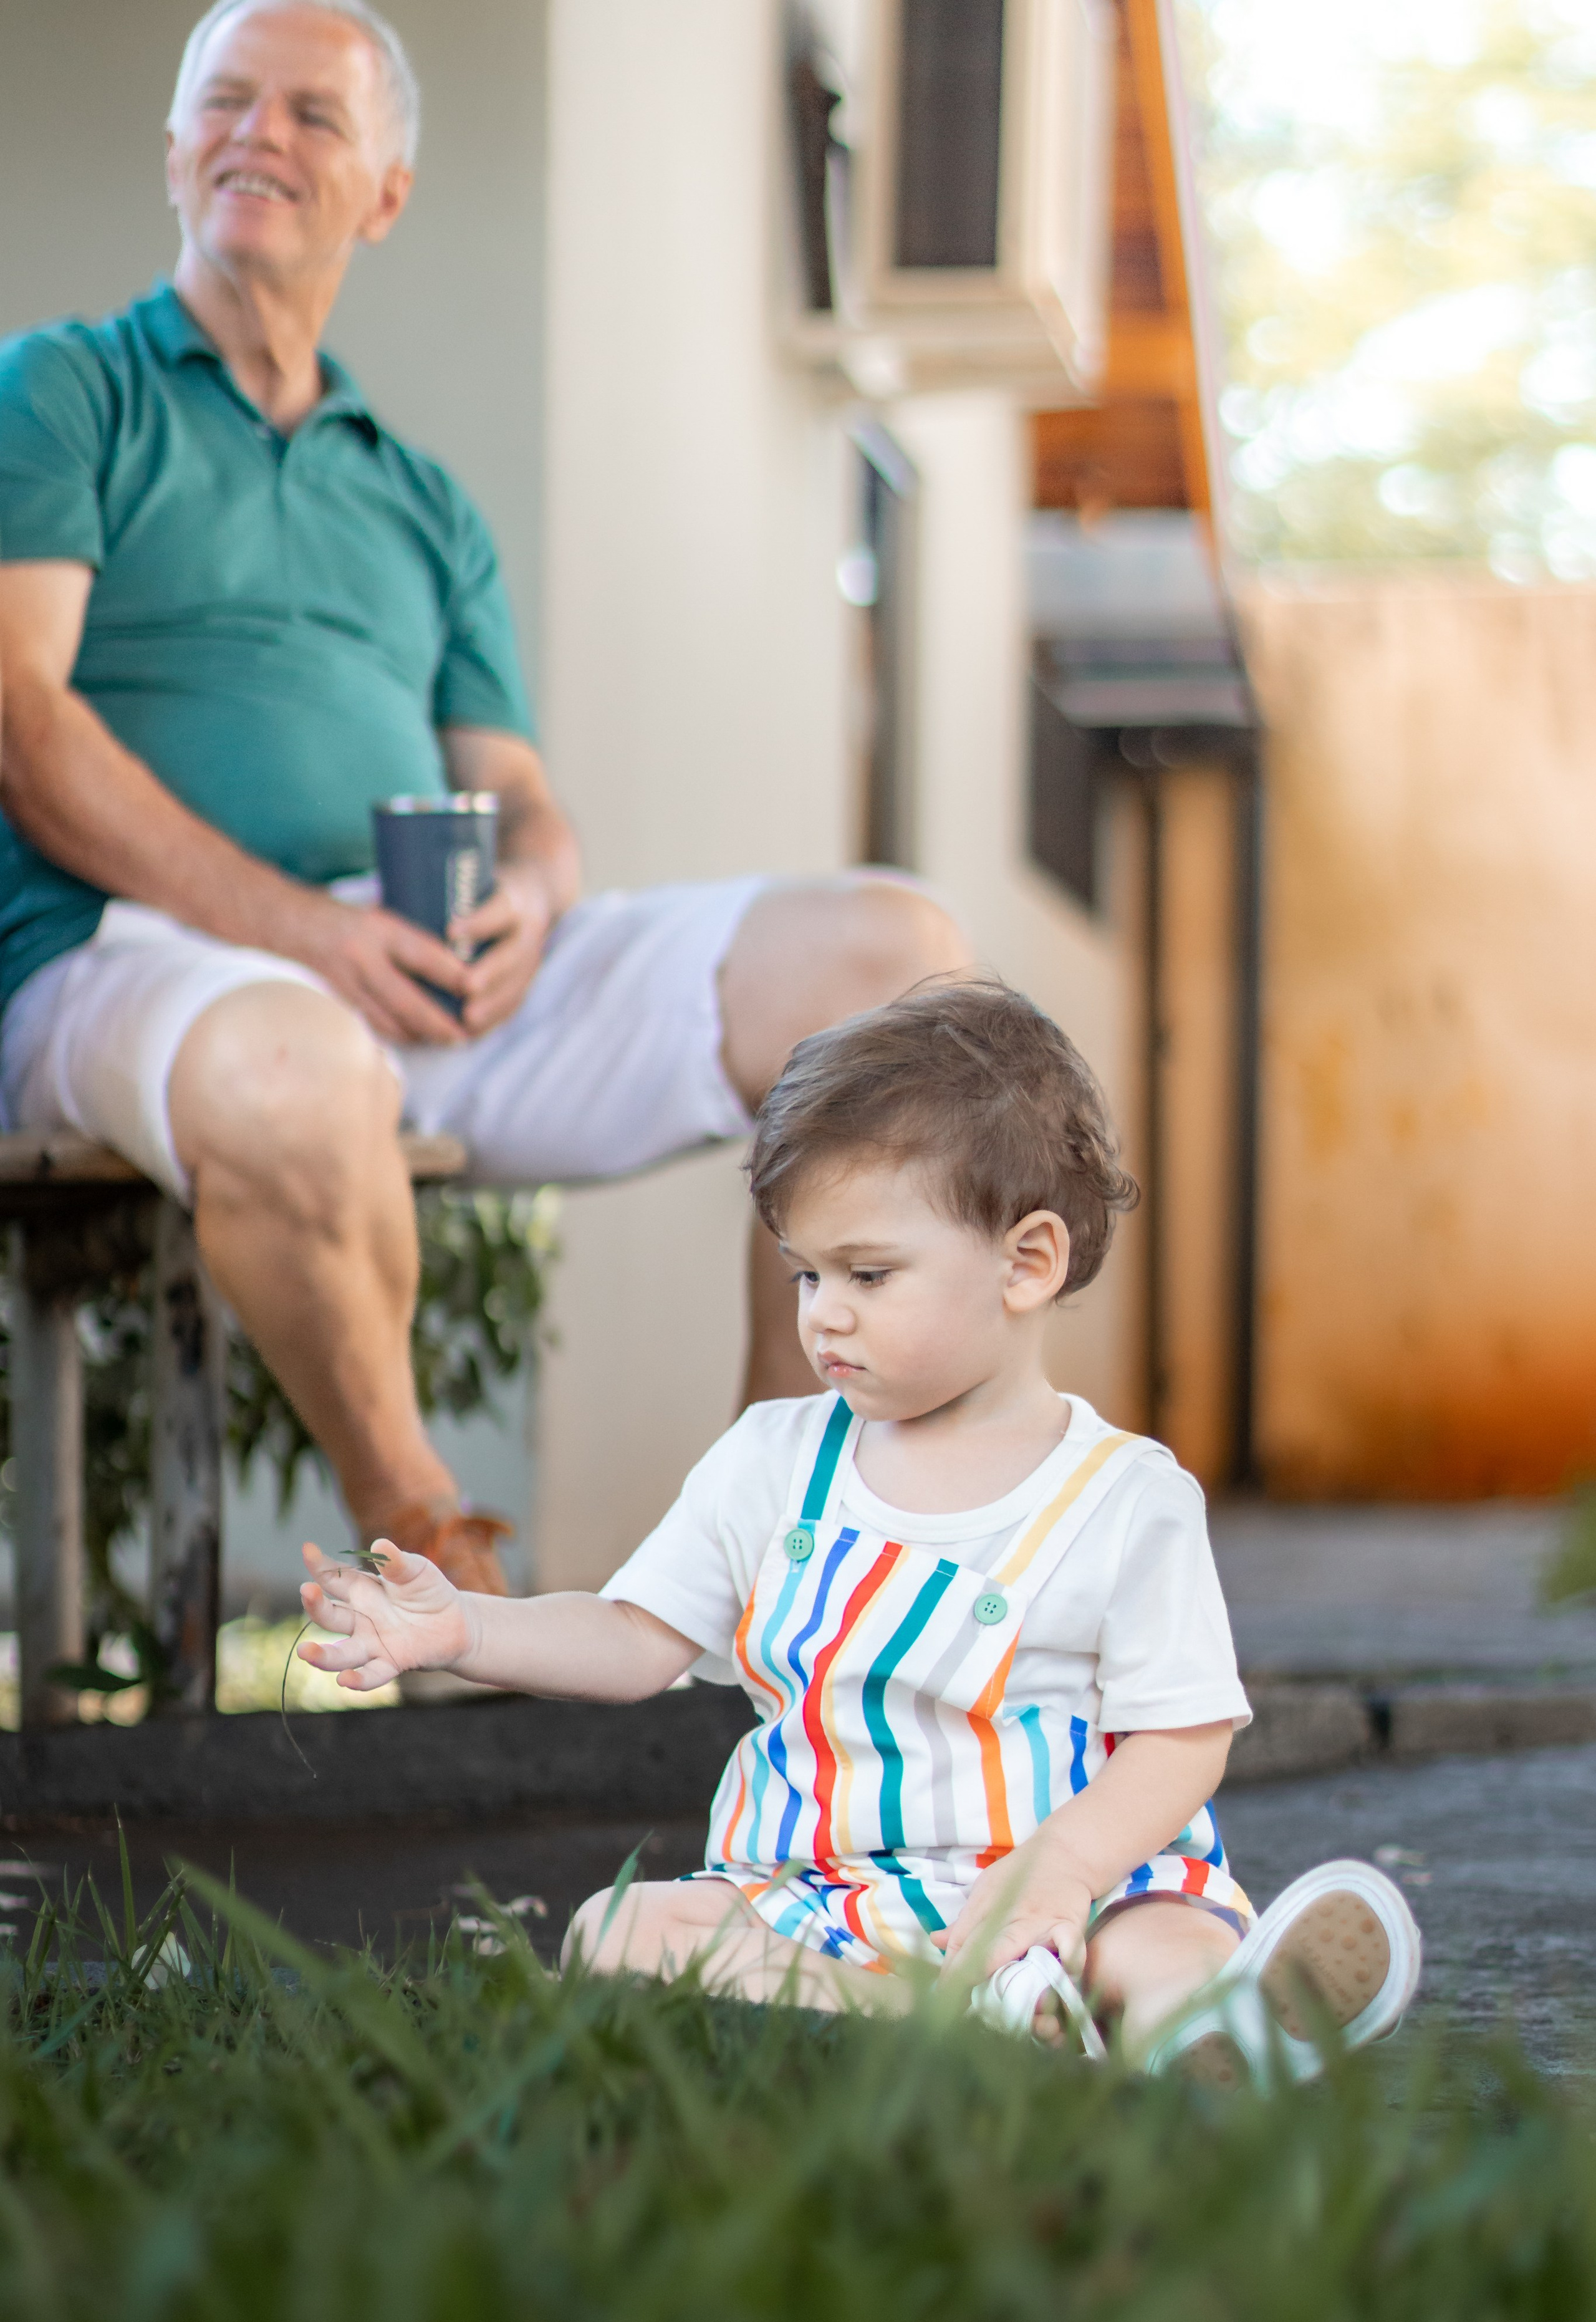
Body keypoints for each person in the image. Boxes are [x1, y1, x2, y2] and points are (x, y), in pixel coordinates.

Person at [0, 0, 969, 1597]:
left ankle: (781, 1566)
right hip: (131, 961)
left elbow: (518, 796)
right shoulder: (62, 392)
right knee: (295, 1068)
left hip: (408, 970)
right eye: (225, 102)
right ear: (174, 149)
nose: (257, 133)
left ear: (384, 194)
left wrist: (529, 893)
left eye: (312, 114)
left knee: (891, 962)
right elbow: (24, 724)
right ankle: (441, 1591)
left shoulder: (422, 501)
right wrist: (305, 935)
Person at [297, 981, 1421, 2078]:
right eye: (806, 1274)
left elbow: (1183, 1739)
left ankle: (1207, 2021)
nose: (823, 1315)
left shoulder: (1127, 1500)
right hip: (828, 1899)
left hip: (1076, 1887)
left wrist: (1064, 1870)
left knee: (1165, 1941)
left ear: (1027, 1263)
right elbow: (635, 1637)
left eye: (869, 1275)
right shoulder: (773, 1462)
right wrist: (465, 1631)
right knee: (617, 1930)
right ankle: (969, 2019)